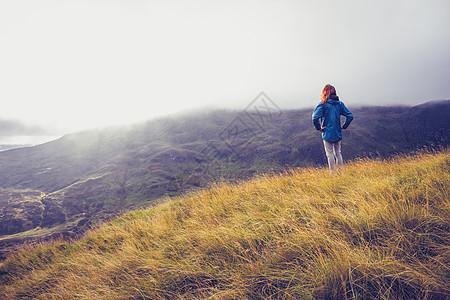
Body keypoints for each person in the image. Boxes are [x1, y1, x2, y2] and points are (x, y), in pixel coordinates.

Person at [312, 84, 353, 173]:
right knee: (338, 152)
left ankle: (332, 174)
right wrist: (344, 126)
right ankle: (340, 173)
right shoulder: (340, 104)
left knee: (329, 154)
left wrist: (319, 128)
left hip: (327, 132)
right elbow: (350, 116)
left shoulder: (323, 104)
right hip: (337, 132)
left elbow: (315, 118)